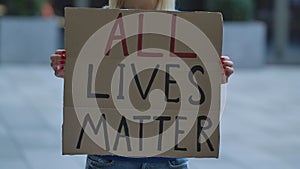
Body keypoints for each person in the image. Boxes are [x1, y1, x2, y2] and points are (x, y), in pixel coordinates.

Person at [50, 0, 234, 168]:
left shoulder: (186, 25)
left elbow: (196, 89)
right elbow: (88, 82)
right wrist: (70, 70)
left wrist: (216, 77)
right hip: (110, 160)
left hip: (167, 161)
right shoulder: (99, 24)